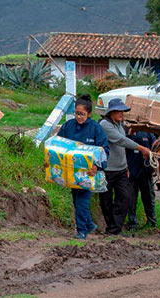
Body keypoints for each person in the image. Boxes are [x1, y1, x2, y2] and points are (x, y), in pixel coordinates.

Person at [55, 94, 109, 240]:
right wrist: (51, 161)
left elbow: (104, 150)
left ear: (89, 114)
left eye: (82, 114)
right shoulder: (68, 126)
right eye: (77, 113)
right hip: (71, 172)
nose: (79, 117)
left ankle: (81, 231)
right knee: (76, 200)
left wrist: (97, 166)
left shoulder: (96, 129)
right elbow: (57, 145)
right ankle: (90, 224)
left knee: (82, 202)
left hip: (88, 173)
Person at [99, 98, 151, 235]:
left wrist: (126, 166)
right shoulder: (105, 124)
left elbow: (123, 145)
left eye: (123, 111)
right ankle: (112, 228)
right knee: (106, 200)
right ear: (111, 112)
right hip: (108, 170)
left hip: (121, 169)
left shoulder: (119, 125)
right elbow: (121, 140)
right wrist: (141, 148)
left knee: (125, 197)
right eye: (119, 111)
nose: (122, 113)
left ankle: (115, 228)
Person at [126, 128, 157, 231]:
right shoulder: (125, 130)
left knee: (148, 197)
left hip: (145, 170)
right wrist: (129, 134)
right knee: (130, 199)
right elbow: (122, 148)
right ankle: (132, 224)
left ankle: (151, 223)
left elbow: (155, 147)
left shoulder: (148, 132)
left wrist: (153, 164)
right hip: (131, 171)